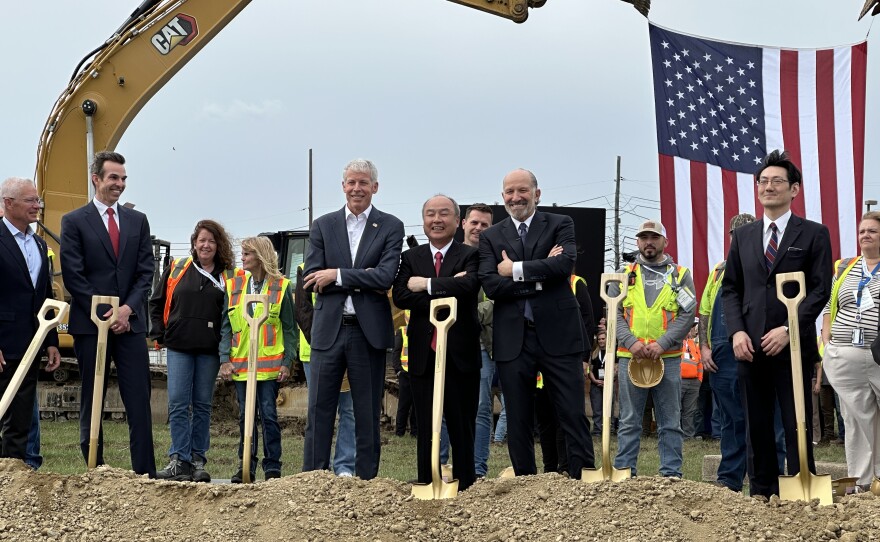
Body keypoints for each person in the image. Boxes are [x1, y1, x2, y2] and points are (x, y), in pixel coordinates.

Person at [722, 150, 832, 498]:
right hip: (750, 346)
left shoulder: (814, 234)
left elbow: (819, 290)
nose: (768, 187)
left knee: (795, 420)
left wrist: (789, 329)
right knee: (756, 424)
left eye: (777, 181)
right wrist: (737, 331)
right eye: (763, 181)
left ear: (794, 189)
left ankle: (802, 489)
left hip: (792, 345)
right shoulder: (744, 236)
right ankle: (762, 490)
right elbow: (731, 288)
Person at [478, 168, 594, 478]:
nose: (516, 197)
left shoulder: (560, 224)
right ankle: (524, 482)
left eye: (522, 190)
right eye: (509, 192)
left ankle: (582, 478)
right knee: (518, 415)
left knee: (570, 410)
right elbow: (491, 285)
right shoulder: (491, 236)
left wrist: (513, 269)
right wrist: (541, 276)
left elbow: (563, 265)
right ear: (503, 197)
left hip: (559, 334)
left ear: (536, 194)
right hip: (513, 339)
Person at [301, 158, 404, 480]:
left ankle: (366, 483)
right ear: (343, 186)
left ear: (375, 187)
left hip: (367, 331)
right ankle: (312, 480)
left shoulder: (391, 226)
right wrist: (362, 276)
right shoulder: (323, 225)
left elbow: (386, 276)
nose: (357, 188)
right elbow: (313, 277)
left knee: (367, 411)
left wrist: (338, 275)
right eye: (351, 182)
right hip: (329, 329)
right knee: (318, 410)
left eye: (363, 183)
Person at [60, 151, 156, 476]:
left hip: (130, 325)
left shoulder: (137, 221)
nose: (120, 184)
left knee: (138, 399)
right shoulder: (74, 222)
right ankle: (94, 468)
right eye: (114, 177)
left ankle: (145, 474)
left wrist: (126, 310)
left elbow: (146, 272)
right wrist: (104, 313)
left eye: (124, 178)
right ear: (96, 179)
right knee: (93, 396)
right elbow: (73, 274)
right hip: (91, 327)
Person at [392, 194, 481, 490]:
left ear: (457, 221)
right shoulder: (410, 258)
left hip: (460, 354)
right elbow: (403, 296)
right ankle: (427, 483)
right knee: (426, 426)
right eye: (431, 214)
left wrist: (426, 284)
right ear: (424, 220)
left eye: (444, 214)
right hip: (422, 355)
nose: (437, 220)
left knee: (461, 425)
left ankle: (466, 485)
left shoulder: (469, 254)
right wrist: (448, 286)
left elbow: (468, 288)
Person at [149, 219, 241, 482]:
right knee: (178, 402)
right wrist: (160, 334)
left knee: (202, 405)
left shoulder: (229, 277)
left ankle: (198, 459)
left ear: (218, 245)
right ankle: (179, 459)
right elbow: (156, 302)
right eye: (202, 240)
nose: (206, 245)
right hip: (179, 348)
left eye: (211, 241)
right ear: (194, 243)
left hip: (209, 351)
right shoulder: (178, 269)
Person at [611, 219, 696, 478]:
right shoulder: (624, 274)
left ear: (664, 242)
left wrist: (662, 343)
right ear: (637, 242)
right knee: (628, 421)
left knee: (670, 421)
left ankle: (671, 474)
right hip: (630, 357)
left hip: (667, 358)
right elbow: (614, 312)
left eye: (654, 237)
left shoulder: (680, 275)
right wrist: (631, 342)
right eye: (644, 237)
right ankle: (625, 472)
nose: (649, 242)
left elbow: (687, 313)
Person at [219, 236, 295, 482]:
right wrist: (224, 359)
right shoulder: (234, 286)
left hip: (270, 368)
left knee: (269, 415)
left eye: (247, 254)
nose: (242, 258)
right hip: (241, 365)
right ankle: (245, 466)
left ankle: (272, 467)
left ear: (260, 256)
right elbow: (226, 327)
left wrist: (287, 361)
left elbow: (289, 328)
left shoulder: (281, 286)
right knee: (245, 417)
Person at [0, 178, 61, 463]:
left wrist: (50, 341)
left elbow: (45, 297)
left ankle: (12, 479)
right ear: (8, 203)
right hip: (3, 344)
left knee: (20, 419)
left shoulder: (38, 244)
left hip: (30, 345)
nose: (37, 206)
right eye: (30, 201)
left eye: (38, 201)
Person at [820, 212, 880, 489]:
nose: (865, 235)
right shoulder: (844, 267)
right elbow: (831, 306)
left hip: (877, 355)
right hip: (844, 354)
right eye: (862, 231)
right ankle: (861, 481)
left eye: (873, 231)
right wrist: (826, 341)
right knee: (854, 420)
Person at [699, 213, 755, 492]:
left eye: (748, 232)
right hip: (721, 354)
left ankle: (766, 481)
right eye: (737, 234)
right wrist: (704, 347)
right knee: (730, 419)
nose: (741, 238)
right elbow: (706, 312)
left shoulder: (767, 265)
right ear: (731, 237)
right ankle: (729, 479)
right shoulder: (719, 271)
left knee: (762, 418)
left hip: (754, 351)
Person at [294, 263, 356, 477]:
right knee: (319, 410)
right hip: (316, 351)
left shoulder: (352, 264)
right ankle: (318, 468)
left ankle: (345, 466)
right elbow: (303, 311)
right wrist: (323, 345)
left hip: (350, 347)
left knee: (349, 410)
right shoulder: (306, 267)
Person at [462, 203, 495, 478]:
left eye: (484, 225)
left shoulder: (494, 260)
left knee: (481, 408)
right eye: (474, 222)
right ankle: (444, 465)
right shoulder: (452, 256)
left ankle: (477, 470)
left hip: (482, 346)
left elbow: (497, 300)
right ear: (464, 224)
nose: (478, 228)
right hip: (448, 344)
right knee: (446, 408)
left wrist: (468, 312)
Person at [391, 313, 417, 438]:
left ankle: (415, 432)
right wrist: (399, 370)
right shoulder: (401, 331)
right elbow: (396, 353)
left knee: (416, 405)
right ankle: (399, 431)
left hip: (418, 373)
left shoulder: (421, 331)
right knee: (404, 404)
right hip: (405, 373)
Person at [680, 322, 703, 439]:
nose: (689, 331)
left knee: (690, 410)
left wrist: (699, 380)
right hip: (679, 381)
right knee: (675, 409)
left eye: (690, 329)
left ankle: (688, 435)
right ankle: (673, 435)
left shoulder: (694, 344)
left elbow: (699, 363)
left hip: (694, 382)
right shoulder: (675, 343)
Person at [588, 331, 608, 435]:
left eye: (603, 339)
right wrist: (595, 380)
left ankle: (610, 430)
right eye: (599, 339)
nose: (601, 341)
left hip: (609, 384)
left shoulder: (611, 353)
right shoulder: (594, 353)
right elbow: (589, 369)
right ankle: (597, 431)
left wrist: (607, 381)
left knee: (609, 408)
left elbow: (616, 368)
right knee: (597, 409)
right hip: (595, 384)